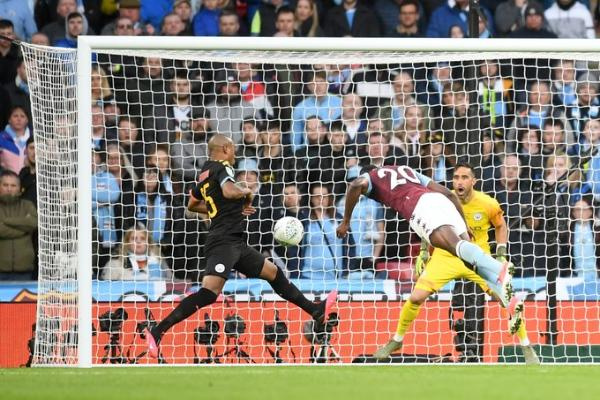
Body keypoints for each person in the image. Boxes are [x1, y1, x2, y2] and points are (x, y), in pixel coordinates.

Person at [144, 134, 337, 358]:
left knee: (273, 273)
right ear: (225, 148)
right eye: (233, 149)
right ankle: (157, 331)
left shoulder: (206, 171)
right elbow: (228, 191)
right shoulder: (223, 166)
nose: (235, 155)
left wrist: (225, 208)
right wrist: (246, 193)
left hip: (235, 242)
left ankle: (316, 310)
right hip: (223, 241)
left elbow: (193, 204)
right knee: (208, 293)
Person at [336, 163, 521, 358]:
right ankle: (505, 294)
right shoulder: (405, 170)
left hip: (420, 207)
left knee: (448, 244)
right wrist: (464, 226)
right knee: (466, 257)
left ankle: (500, 268)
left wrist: (346, 221)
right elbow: (448, 195)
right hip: (443, 204)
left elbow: (356, 184)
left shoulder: (371, 177)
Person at [379, 163, 539, 362]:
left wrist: (500, 254)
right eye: (456, 177)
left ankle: (526, 347)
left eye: (464, 177)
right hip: (445, 257)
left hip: (477, 258)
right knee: (416, 297)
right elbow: (429, 223)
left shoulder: (488, 203)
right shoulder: (441, 200)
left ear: (474, 181)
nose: (459, 182)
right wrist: (423, 252)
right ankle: (397, 339)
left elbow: (500, 226)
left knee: (506, 297)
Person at [0, 170, 38, 281]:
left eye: (13, 185)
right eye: (5, 185)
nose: (9, 189)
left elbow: (33, 223)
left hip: (24, 270)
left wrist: (5, 221)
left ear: (20, 189)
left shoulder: (27, 205)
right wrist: (24, 229)